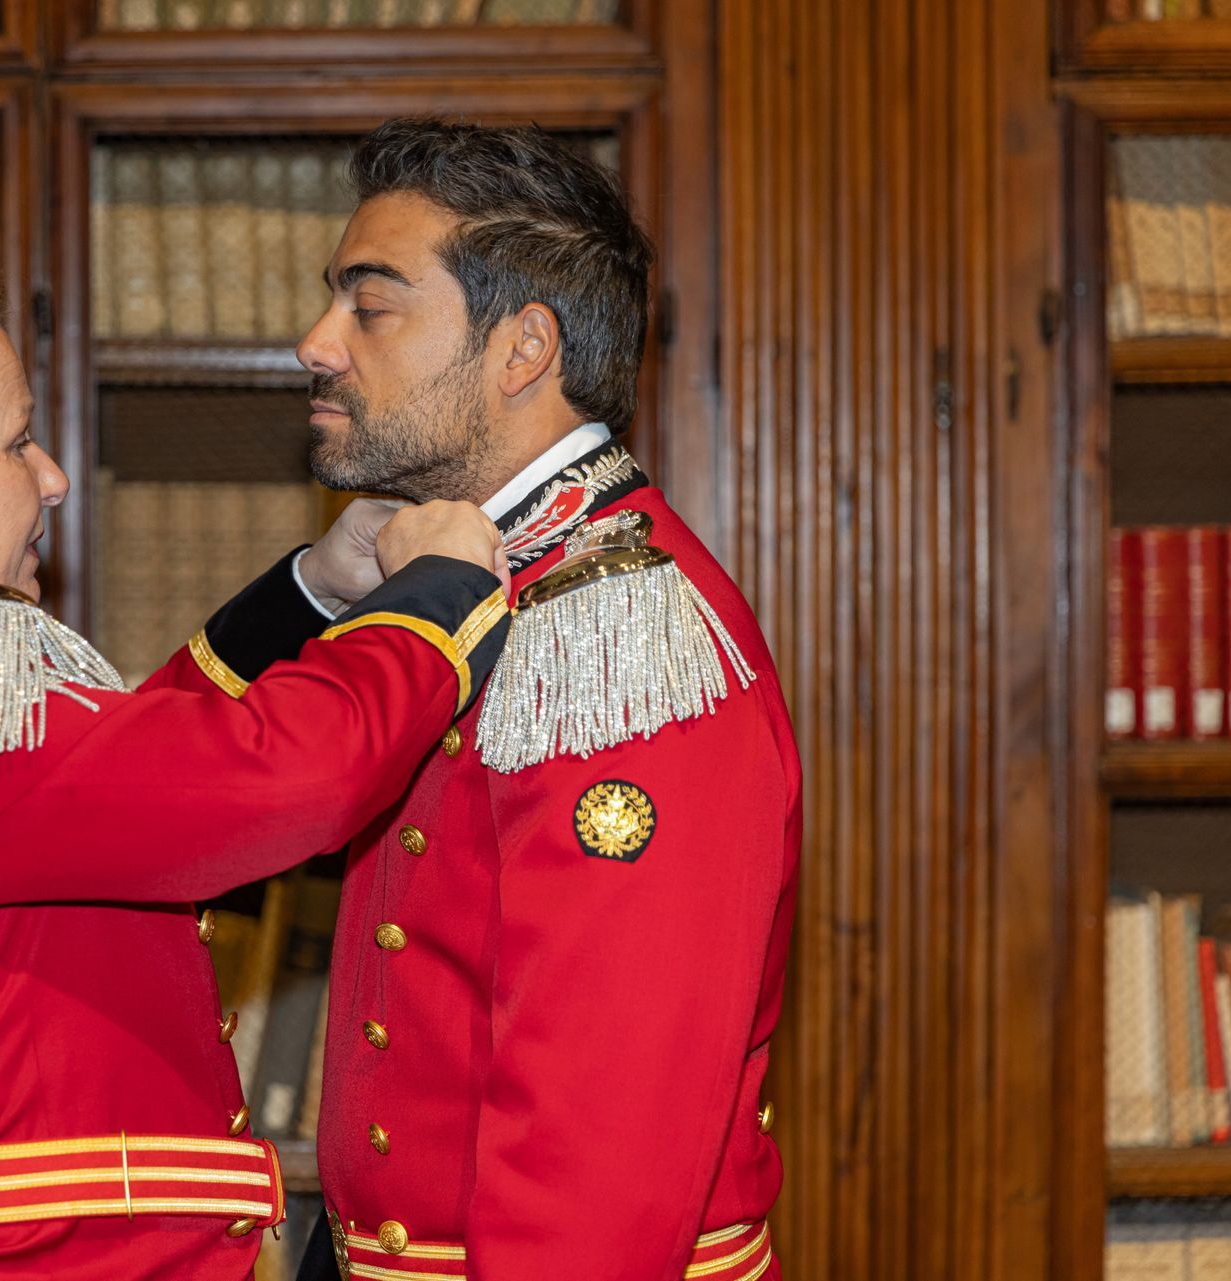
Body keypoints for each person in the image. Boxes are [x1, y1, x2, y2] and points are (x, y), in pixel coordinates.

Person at [0, 254, 514, 1279]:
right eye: (17, 443)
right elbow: (277, 787)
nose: (52, 478)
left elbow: (127, 778)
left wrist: (313, 592)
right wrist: (437, 596)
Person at [279, 119, 802, 1281]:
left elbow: (601, 1159)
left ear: (524, 348)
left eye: (371, 305)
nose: (316, 343)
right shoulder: (464, 576)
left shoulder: (623, 636)